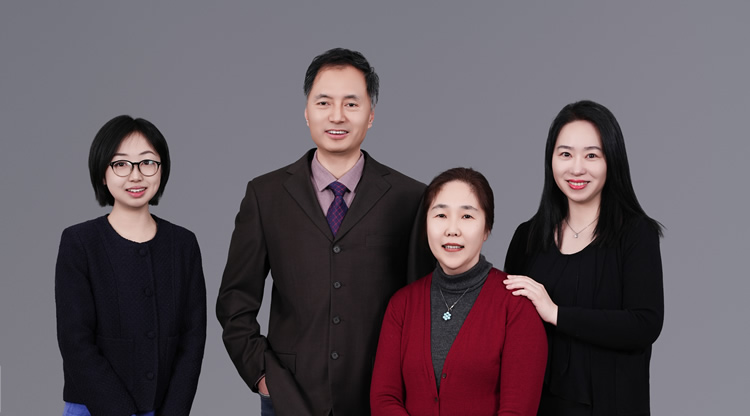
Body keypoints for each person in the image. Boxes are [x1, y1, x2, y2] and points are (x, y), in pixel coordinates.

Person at [216, 48, 434, 416]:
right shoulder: (265, 195)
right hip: (289, 396)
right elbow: (235, 301)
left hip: (379, 398)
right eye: (324, 102)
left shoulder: (410, 197)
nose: (337, 115)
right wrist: (263, 376)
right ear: (306, 111)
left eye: (351, 104)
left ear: (370, 114)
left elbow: (422, 304)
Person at [503, 100, 664, 416]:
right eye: (565, 154)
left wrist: (556, 313)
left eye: (592, 155)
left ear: (611, 161)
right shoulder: (528, 236)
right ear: (551, 159)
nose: (577, 168)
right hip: (540, 407)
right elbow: (512, 330)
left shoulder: (636, 233)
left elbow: (644, 324)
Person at [55, 115, 207, 416]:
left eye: (147, 162)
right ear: (102, 173)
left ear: (162, 169)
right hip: (91, 408)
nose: (135, 176)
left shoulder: (183, 244)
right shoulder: (79, 242)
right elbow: (75, 341)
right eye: (121, 164)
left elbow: (193, 338)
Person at [371, 167, 548, 415]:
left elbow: (518, 409)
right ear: (425, 225)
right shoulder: (402, 304)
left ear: (486, 229)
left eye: (467, 216)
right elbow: (384, 398)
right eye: (441, 215)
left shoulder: (516, 305)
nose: (452, 229)